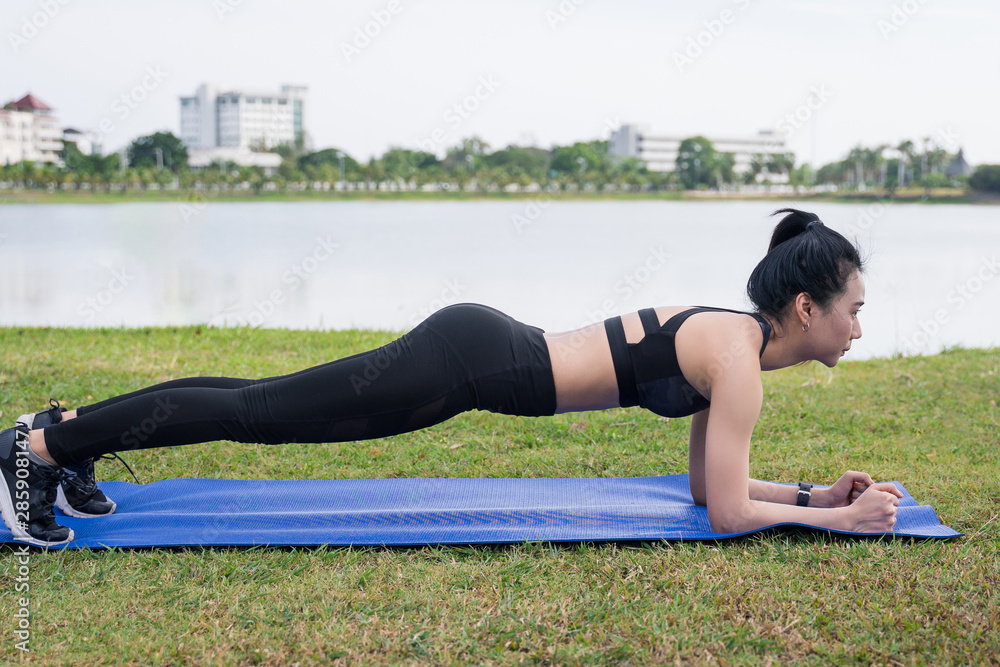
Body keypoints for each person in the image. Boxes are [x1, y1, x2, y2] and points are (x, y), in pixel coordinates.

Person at [0, 208, 903, 547]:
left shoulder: (736, 348)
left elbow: (716, 493)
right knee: (260, 410)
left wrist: (819, 495)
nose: (858, 324)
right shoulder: (739, 363)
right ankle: (40, 447)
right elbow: (733, 517)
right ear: (803, 308)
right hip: (468, 359)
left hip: (473, 358)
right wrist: (842, 519)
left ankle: (65, 436)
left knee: (258, 400)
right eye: (851, 307)